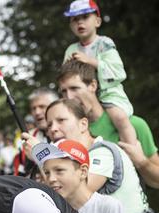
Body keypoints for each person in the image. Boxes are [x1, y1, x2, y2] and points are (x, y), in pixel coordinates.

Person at [58, 59, 159, 189]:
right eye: (64, 91)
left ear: (93, 85)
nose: (69, 97)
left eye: (74, 88)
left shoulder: (132, 124)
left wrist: (141, 161)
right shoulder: (66, 133)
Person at [62, 0, 137, 146]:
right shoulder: (71, 49)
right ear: (70, 25)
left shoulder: (105, 43)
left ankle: (131, 147)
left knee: (119, 116)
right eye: (75, 20)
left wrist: (90, 61)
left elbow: (118, 72)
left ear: (97, 21)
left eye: (84, 17)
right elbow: (65, 76)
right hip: (81, 96)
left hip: (108, 93)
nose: (80, 23)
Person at [14, 88, 59, 177]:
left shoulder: (69, 133)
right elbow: (21, 174)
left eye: (42, 107)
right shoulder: (28, 137)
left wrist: (38, 155)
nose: (37, 112)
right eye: (33, 108)